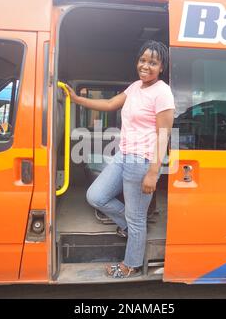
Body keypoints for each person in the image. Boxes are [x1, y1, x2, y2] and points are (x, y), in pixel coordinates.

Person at [64, 40, 175, 279]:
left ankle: (130, 264)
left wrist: (153, 173)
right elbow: (110, 103)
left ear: (161, 67)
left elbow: (164, 134)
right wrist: (78, 99)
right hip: (123, 155)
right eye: (143, 60)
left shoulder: (162, 92)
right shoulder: (136, 87)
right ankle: (129, 228)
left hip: (142, 161)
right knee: (96, 196)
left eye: (153, 62)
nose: (146, 66)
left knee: (137, 219)